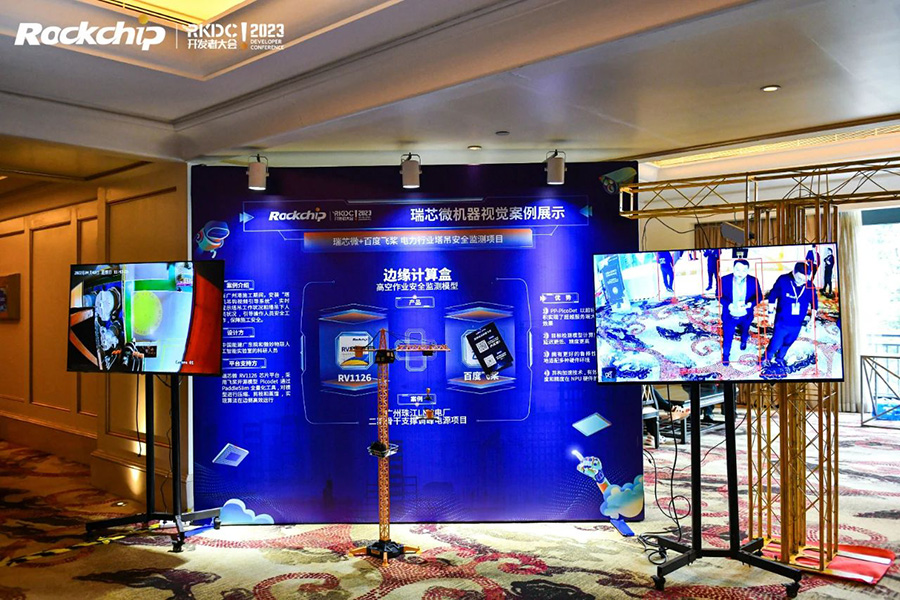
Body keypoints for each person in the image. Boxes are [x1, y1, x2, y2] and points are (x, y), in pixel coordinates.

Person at [765, 262, 818, 366]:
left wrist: (812, 320)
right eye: (799, 278)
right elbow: (772, 296)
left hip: (797, 322)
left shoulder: (810, 286)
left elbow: (814, 304)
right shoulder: (783, 280)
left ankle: (780, 358)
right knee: (775, 343)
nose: (802, 282)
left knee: (789, 342)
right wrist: (770, 314)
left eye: (805, 280)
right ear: (794, 272)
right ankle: (767, 357)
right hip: (782, 321)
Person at [719, 259, 763, 366]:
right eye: (737, 270)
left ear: (748, 270)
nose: (740, 273)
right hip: (730, 315)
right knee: (728, 335)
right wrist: (728, 304)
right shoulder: (724, 280)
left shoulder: (753, 280)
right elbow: (718, 295)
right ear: (733, 269)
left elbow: (759, 296)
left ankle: (743, 341)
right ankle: (726, 355)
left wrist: (750, 304)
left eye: (744, 270)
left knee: (745, 330)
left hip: (746, 314)